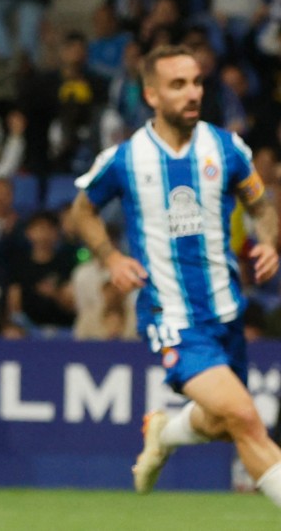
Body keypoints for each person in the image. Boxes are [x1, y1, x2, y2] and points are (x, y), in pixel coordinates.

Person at [70, 44, 281, 505]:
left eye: (197, 82)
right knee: (246, 418)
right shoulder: (125, 159)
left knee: (222, 422)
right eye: (178, 85)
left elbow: (262, 207)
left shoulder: (226, 149)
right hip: (172, 318)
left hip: (226, 311)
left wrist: (268, 242)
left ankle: (164, 433)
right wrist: (110, 258)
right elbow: (82, 212)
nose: (192, 93)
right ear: (151, 95)